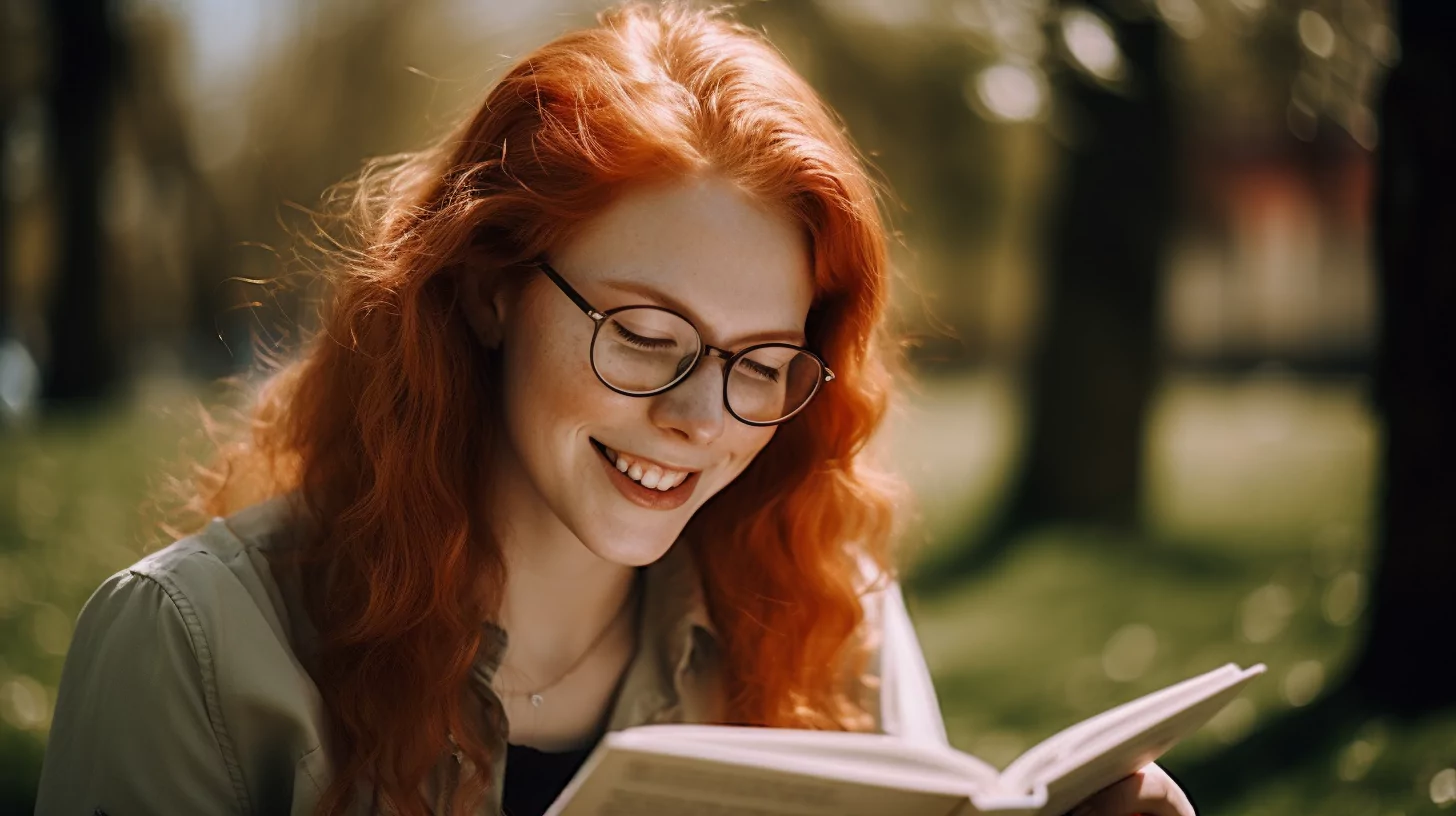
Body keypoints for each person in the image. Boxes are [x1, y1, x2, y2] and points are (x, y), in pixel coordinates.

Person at [34, 3, 1196, 815]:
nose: (702, 417)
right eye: (644, 337)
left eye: (760, 363)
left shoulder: (830, 626)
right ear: (490, 289)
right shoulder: (187, 649)